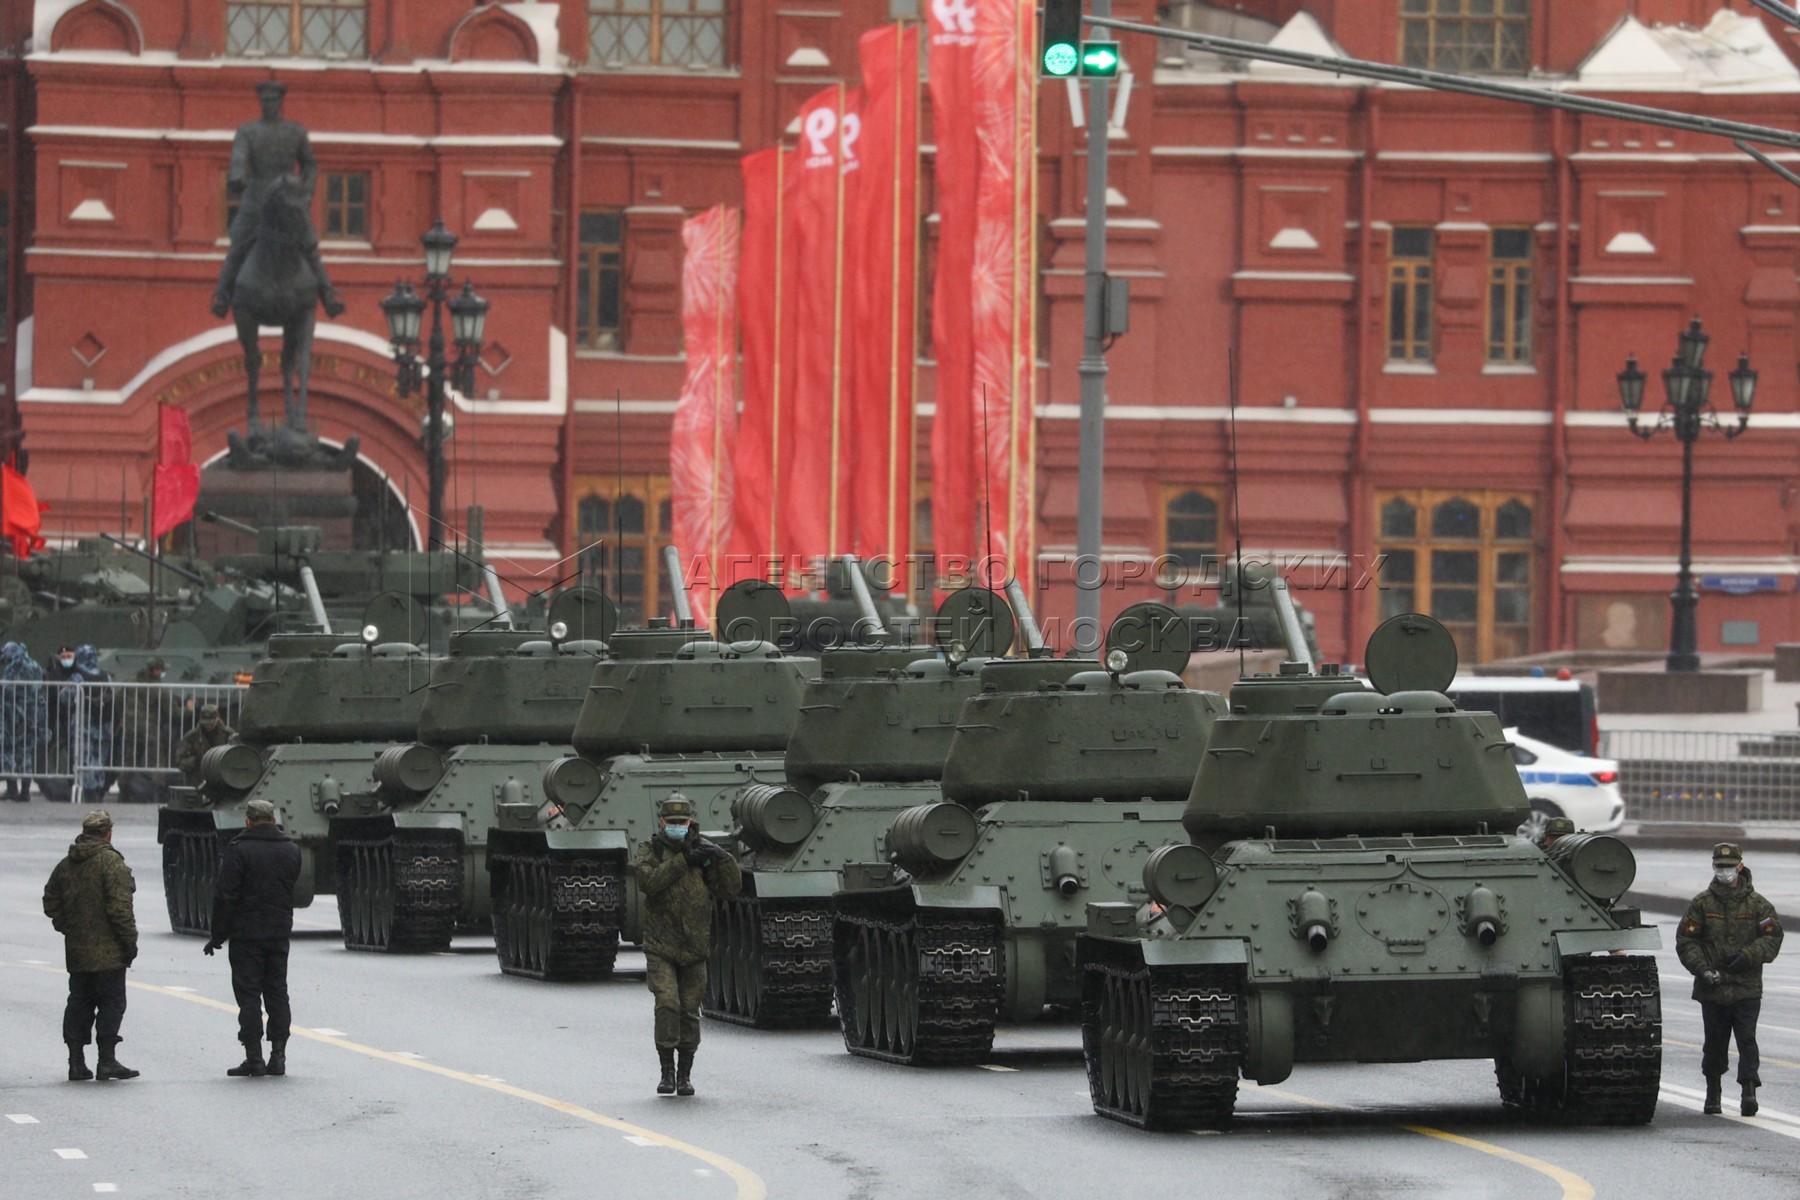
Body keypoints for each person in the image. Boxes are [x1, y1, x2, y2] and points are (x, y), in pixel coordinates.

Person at [632, 792, 740, 1096]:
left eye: (682, 821)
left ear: (690, 821)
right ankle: (666, 1071)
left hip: (694, 947)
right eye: (672, 822)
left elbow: (730, 890)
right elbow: (648, 882)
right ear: (662, 822)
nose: (677, 826)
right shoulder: (650, 849)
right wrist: (682, 861)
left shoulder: (703, 850)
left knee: (690, 1011)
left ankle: (685, 1075)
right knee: (667, 1004)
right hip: (660, 945)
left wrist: (723, 859)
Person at [211, 81, 345, 318]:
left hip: (288, 197)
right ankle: (222, 295)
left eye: (273, 101)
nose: (269, 105)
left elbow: (310, 164)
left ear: (280, 103)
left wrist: (305, 193)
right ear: (260, 103)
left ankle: (329, 295)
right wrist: (237, 175)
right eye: (265, 101)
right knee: (238, 245)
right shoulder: (247, 131)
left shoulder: (295, 131)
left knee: (309, 246)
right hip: (257, 197)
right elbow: (239, 158)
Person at [1676, 843, 1784, 1116]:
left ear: (1740, 866)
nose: (1724, 872)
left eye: (1729, 866)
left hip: (1746, 987)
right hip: (1713, 988)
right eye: (1719, 866)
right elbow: (1687, 940)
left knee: (1747, 1040)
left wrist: (1749, 955)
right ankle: (1713, 1093)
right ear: (1714, 867)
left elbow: (1772, 937)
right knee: (1714, 1042)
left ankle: (1749, 1090)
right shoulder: (1702, 904)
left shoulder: (1758, 904)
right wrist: (1701, 969)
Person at [204, 797, 301, 1078]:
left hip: (247, 935)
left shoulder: (239, 850)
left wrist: (217, 935)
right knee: (277, 992)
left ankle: (254, 1057)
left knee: (249, 996)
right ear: (273, 820)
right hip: (279, 932)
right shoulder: (291, 850)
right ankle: (279, 1055)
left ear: (247, 821)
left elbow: (226, 896)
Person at [41, 809, 139, 1082]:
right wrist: (129, 942)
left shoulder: (66, 864)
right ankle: (106, 1061)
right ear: (108, 833)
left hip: (78, 951)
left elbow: (51, 901)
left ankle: (76, 1062)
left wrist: (69, 927)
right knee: (111, 1003)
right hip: (109, 953)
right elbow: (120, 910)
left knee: (79, 1003)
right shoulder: (111, 863)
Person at [1, 640, 49, 800]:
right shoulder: (34, 664)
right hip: (31, 715)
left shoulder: (15, 666)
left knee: (9, 752)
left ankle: (12, 789)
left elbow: (7, 688)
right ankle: (25, 791)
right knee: (26, 754)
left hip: (14, 715)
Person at [176, 703, 236, 787]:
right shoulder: (192, 737)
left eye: (211, 723)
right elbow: (180, 761)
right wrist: (196, 761)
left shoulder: (228, 735)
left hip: (223, 783)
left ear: (218, 718)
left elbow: (238, 758)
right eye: (205, 723)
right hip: (198, 782)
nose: (208, 726)